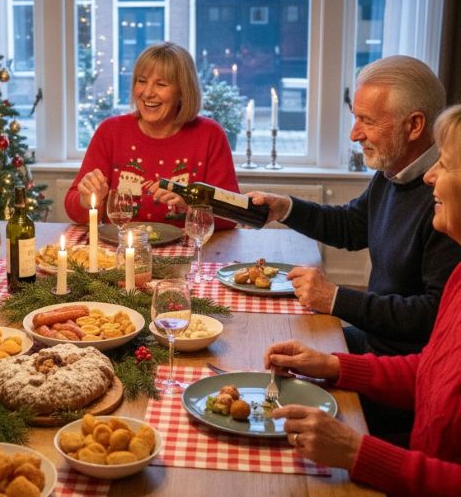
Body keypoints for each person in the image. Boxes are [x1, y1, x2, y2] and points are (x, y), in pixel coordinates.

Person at [263, 104, 461, 496]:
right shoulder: (391, 180)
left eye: (447, 164)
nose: (431, 176)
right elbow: (433, 370)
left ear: (413, 124)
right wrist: (335, 365)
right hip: (409, 441)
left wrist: (359, 452)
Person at [249, 55, 461, 357]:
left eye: (367, 120)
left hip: (402, 366)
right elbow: (352, 227)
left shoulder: (448, 202)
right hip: (374, 341)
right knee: (270, 346)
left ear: (414, 125)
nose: (354, 134)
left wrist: (335, 298)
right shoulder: (392, 173)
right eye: (355, 116)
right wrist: (285, 208)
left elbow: (432, 315)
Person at [64, 41, 239, 229]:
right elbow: (73, 208)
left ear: (182, 91)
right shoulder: (111, 131)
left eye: (161, 84)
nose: (147, 93)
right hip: (120, 253)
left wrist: (190, 204)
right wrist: (86, 199)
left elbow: (231, 216)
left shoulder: (210, 135)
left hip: (187, 254)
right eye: (141, 81)